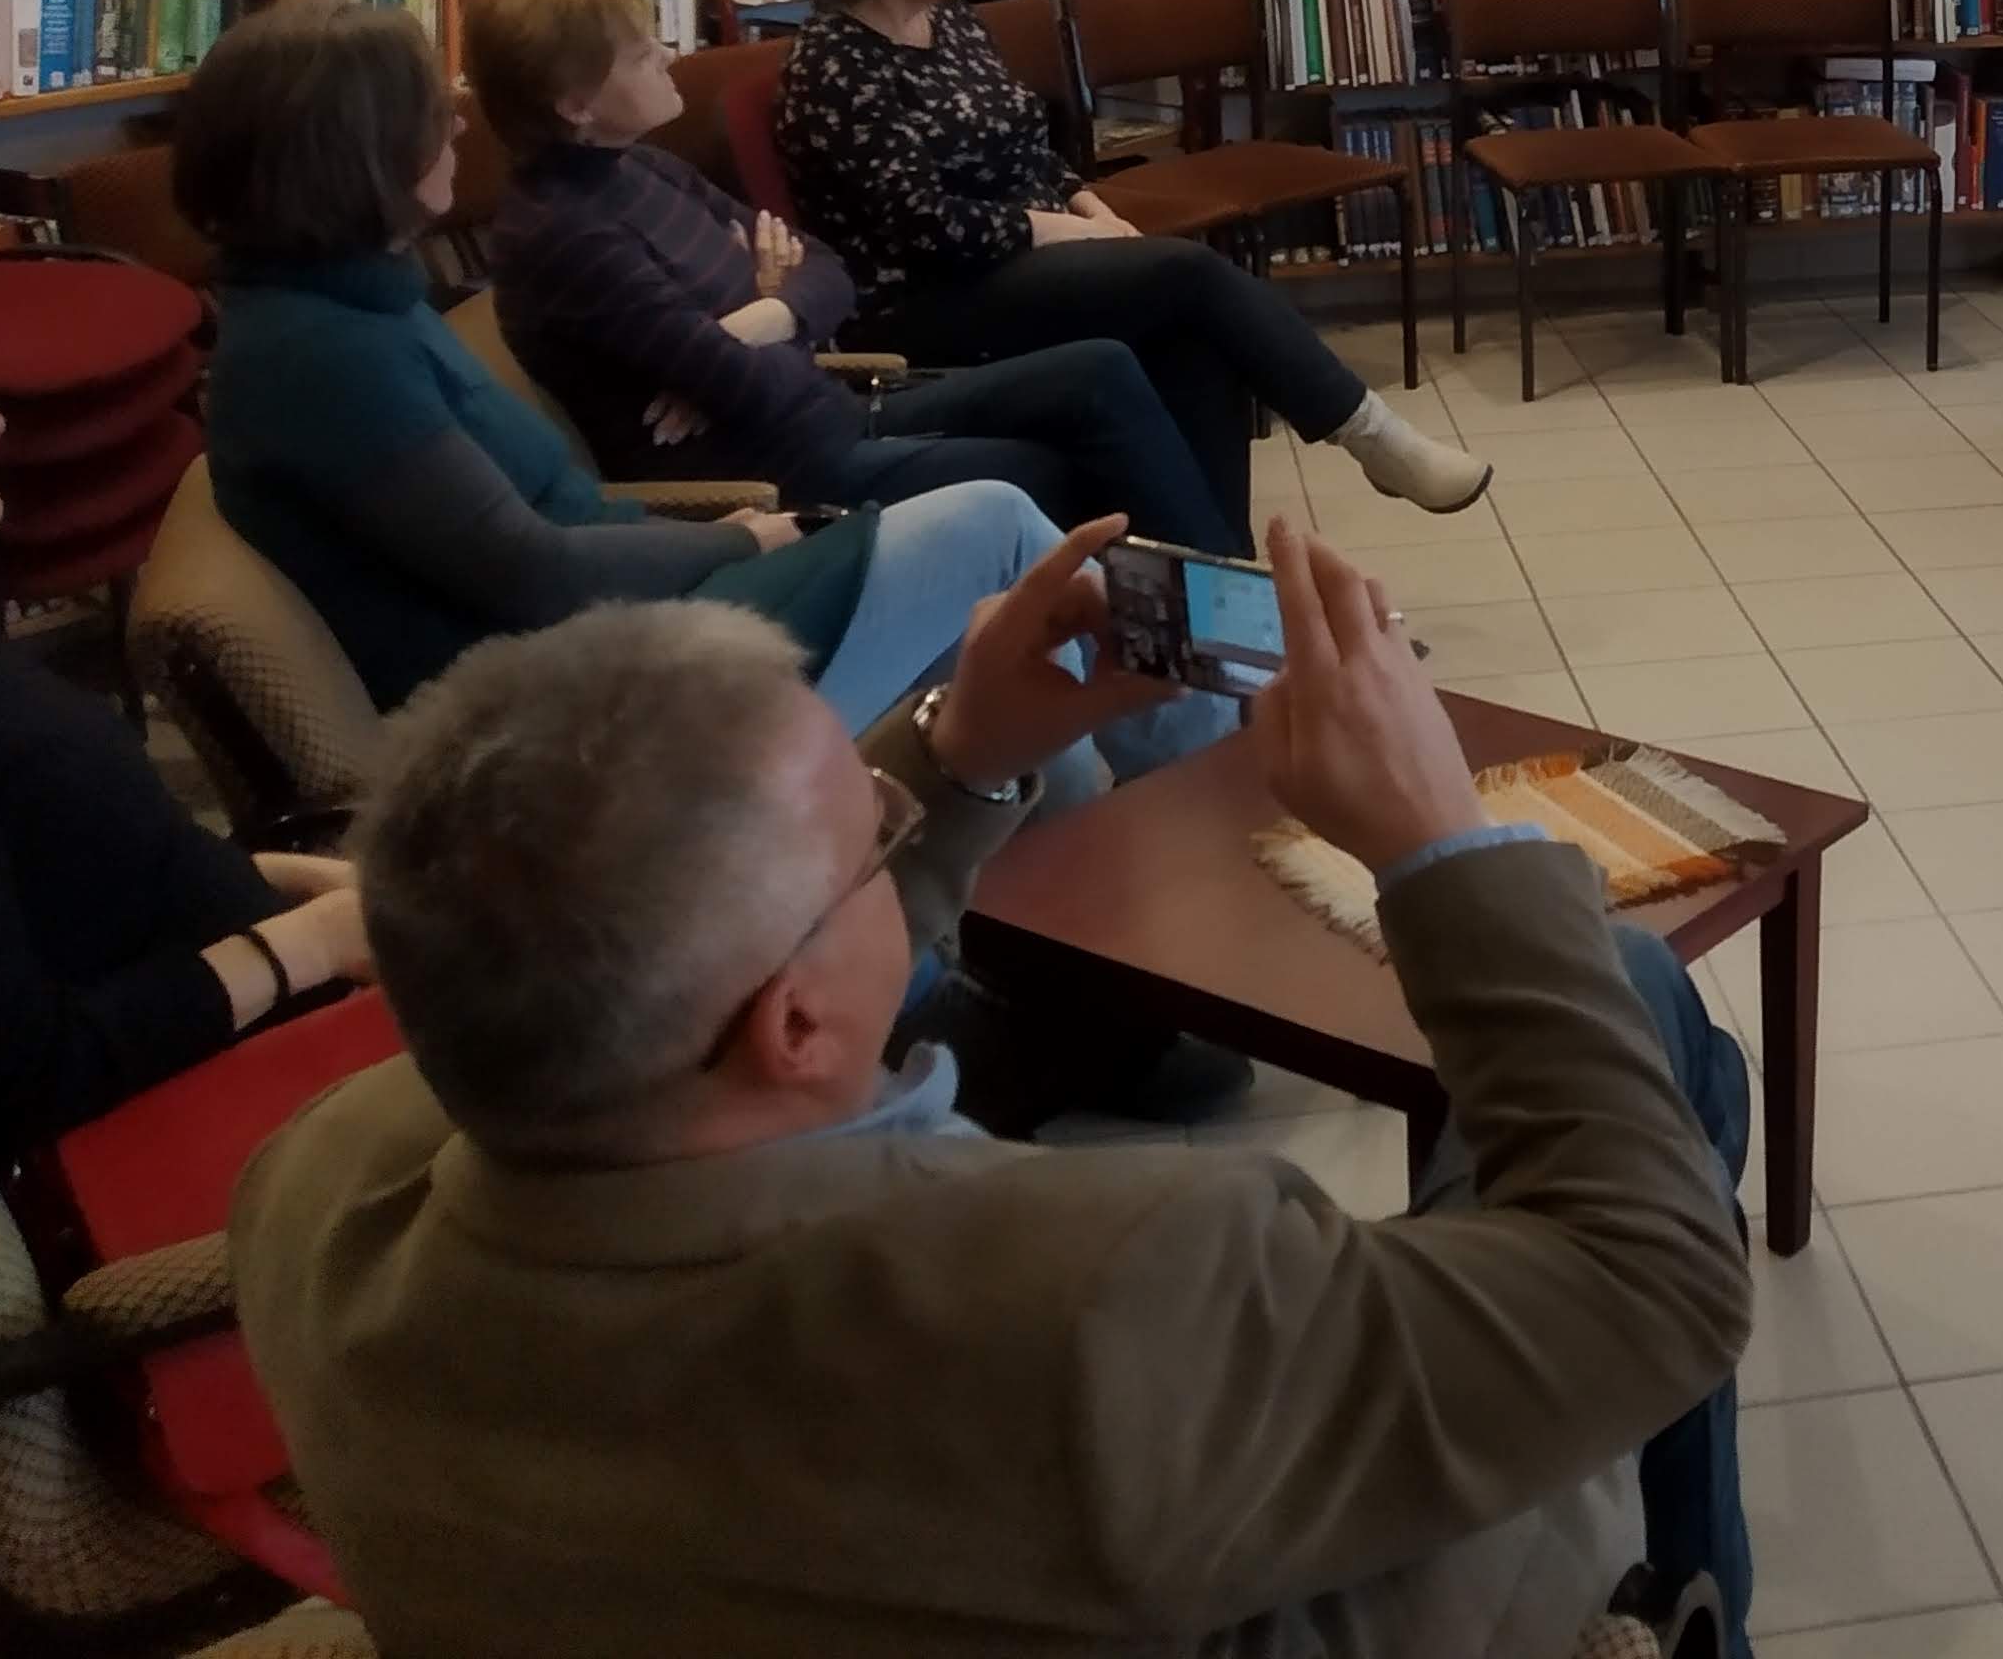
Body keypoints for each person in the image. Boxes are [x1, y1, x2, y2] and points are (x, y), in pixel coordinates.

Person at [232, 513, 1757, 1659]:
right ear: (793, 1026)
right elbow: (1655, 1283)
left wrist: (959, 752)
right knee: (1633, 1007)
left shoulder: (314, 1192)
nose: (891, 822)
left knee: (1638, 1029)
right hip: (1344, 1592)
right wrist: (1438, 844)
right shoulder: (1110, 1296)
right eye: (870, 833)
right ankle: (1685, 1610)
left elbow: (733, 979)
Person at [179, 0, 1065, 729]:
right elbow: (532, 574)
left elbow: (558, 520)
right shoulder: (323, 357)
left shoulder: (356, 303)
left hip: (611, 614)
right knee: (992, 527)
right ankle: (1153, 734)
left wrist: (711, 533)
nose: (457, 122)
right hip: (565, 693)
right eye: (428, 111)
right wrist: (740, 538)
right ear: (356, 154)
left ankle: (1065, 838)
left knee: (986, 656)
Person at [768, 0, 1490, 536]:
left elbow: (1026, 147)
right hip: (927, 300)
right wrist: (1069, 232)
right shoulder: (834, 66)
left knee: (1192, 342)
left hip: (1022, 264)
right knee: (1188, 273)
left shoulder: (949, 20)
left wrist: (1089, 205)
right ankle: (1372, 436)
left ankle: (1223, 578)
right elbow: (924, 224)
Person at [0, 257, 376, 1174]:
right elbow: (20, 1078)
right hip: (212, 1112)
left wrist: (306, 886)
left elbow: (102, 869)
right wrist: (311, 942)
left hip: (254, 980)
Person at [466, 0, 1238, 550]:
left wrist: (762, 315)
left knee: (1103, 369)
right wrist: (764, 320)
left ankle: (1229, 610)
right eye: (640, 55)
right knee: (1055, 468)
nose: (667, 55)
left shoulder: (641, 166)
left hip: (833, 412)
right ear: (575, 104)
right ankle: (1205, 646)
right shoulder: (568, 236)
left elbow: (823, 267)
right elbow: (746, 387)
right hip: (782, 471)